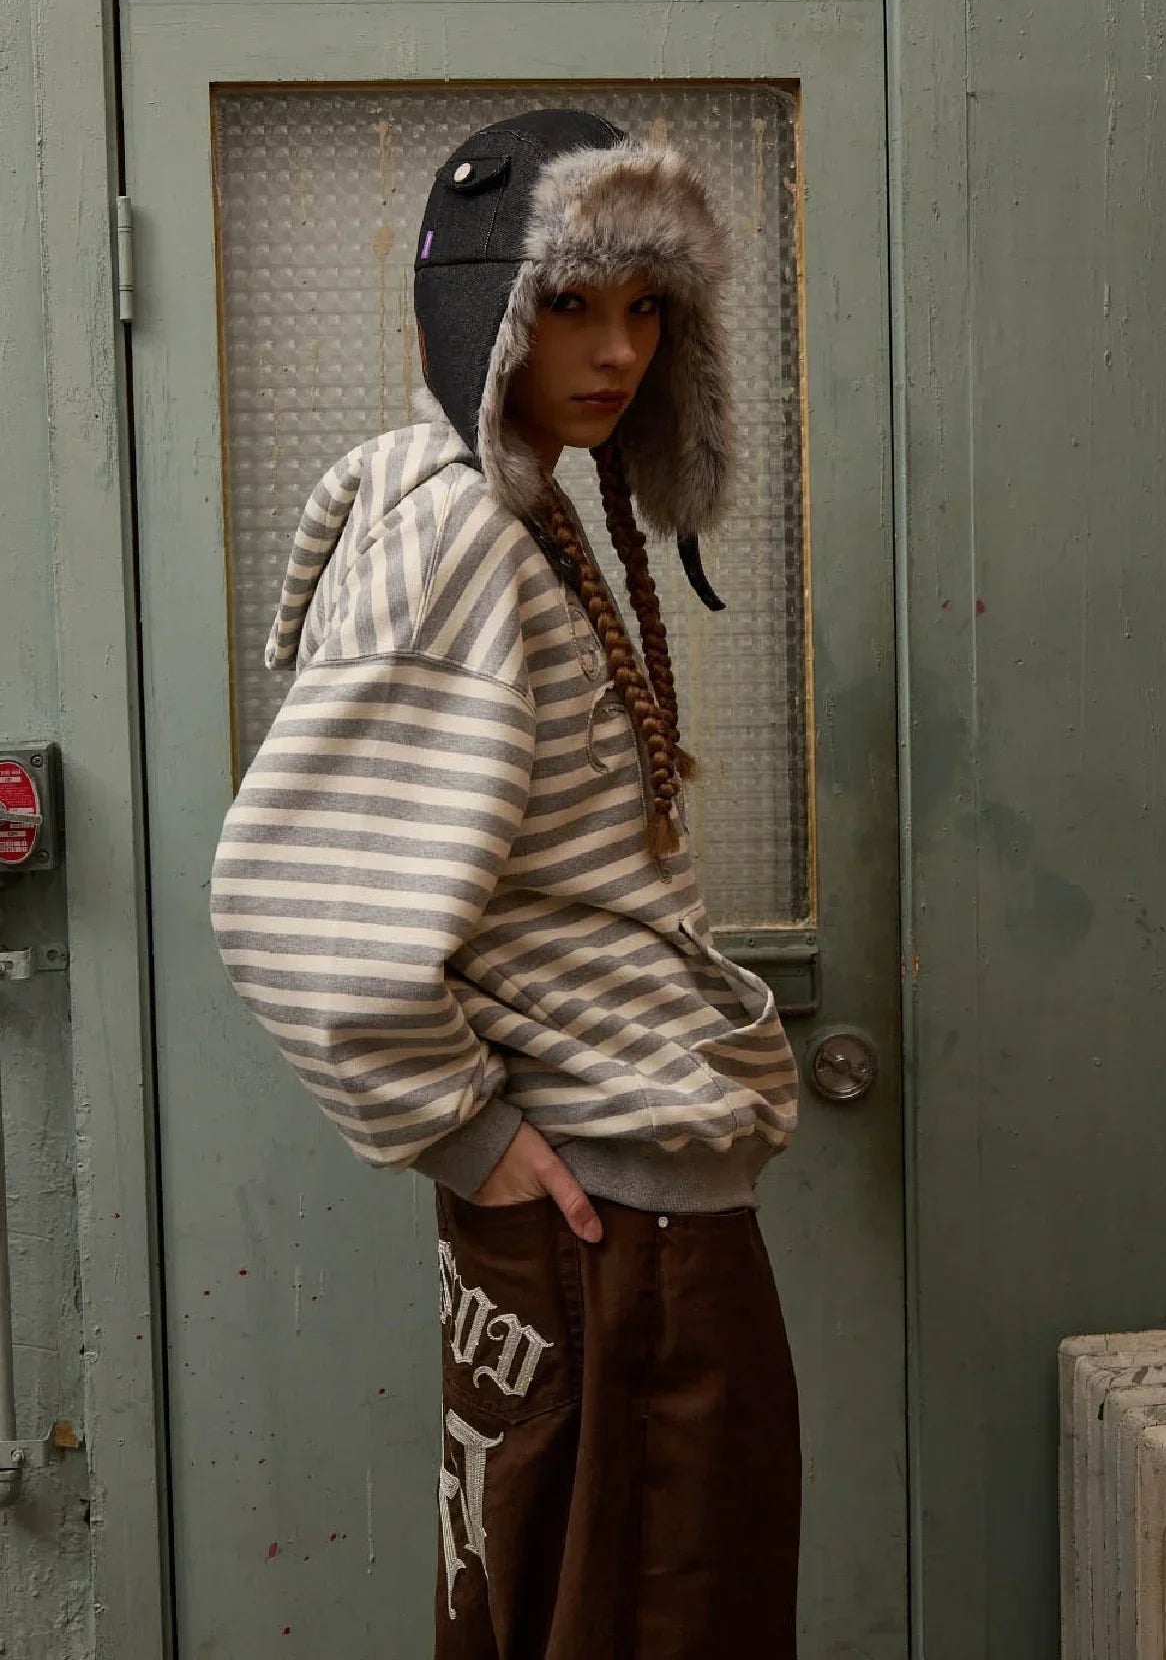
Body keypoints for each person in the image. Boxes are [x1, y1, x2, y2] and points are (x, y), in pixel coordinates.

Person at [209, 107, 803, 1657]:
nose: (615, 351)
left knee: (555, 1613)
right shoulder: (466, 530)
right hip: (613, 1224)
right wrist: (465, 1133)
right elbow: (297, 908)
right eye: (568, 304)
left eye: (646, 307)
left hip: (627, 1206)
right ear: (484, 312)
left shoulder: (517, 504)